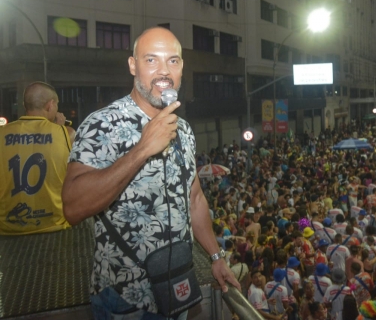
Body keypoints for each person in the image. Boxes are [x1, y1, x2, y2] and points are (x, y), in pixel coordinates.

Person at [62, 27, 239, 318]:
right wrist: (142, 149)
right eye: (151, 60)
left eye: (173, 61)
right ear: (133, 66)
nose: (164, 72)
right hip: (124, 298)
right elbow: (72, 207)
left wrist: (216, 256)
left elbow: (194, 199)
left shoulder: (183, 128)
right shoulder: (102, 124)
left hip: (177, 289)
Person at [0, 81, 74, 235]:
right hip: (54, 225)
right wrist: (60, 126)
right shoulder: (66, 133)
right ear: (50, 105)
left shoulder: (2, 133)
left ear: (25, 104)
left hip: (6, 228)